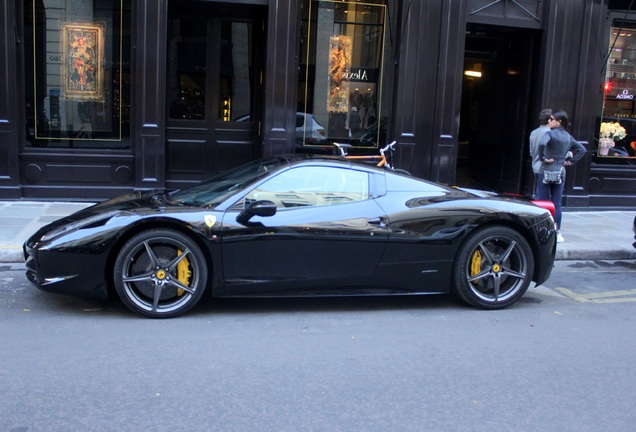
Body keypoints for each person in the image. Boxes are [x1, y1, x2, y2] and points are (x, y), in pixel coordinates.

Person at [536, 110, 586, 243]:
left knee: (542, 201)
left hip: (546, 171)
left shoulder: (549, 134)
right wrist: (570, 161)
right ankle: (557, 232)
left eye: (551, 119)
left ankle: (540, 229)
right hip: (560, 171)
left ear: (559, 122)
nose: (549, 121)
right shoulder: (568, 137)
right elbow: (582, 149)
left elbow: (541, 144)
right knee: (557, 203)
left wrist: (543, 158)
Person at [529, 109, 553, 198]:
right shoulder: (551, 133)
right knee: (545, 196)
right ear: (550, 120)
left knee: (540, 192)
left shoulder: (533, 132)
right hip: (547, 168)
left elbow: (531, 152)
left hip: (535, 166)